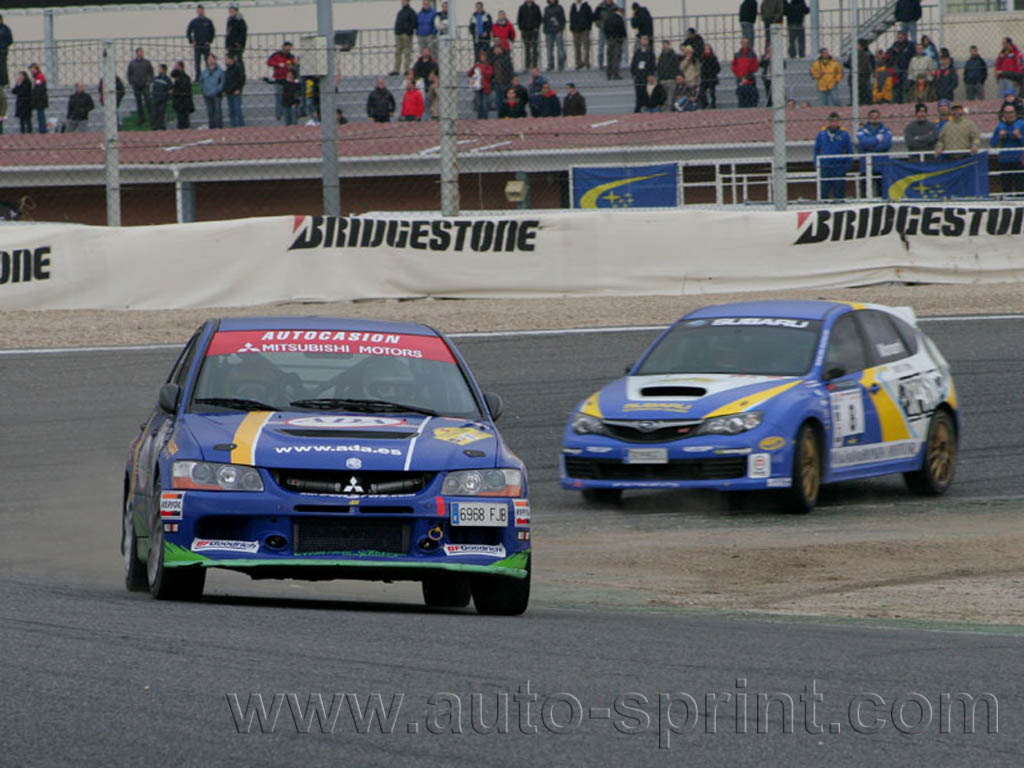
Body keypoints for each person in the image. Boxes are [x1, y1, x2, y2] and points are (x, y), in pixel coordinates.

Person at [814, 111, 853, 200]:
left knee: (839, 190)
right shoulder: (822, 133)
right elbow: (816, 149)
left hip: (838, 166)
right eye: (831, 121)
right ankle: (824, 207)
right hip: (825, 166)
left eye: (835, 121)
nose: (833, 123)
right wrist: (816, 163)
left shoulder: (844, 134)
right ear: (828, 122)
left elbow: (849, 150)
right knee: (824, 190)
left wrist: (847, 165)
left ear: (839, 122)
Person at [856, 108, 892, 196]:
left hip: (881, 165)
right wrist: (877, 139)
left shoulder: (886, 129)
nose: (875, 119)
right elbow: (863, 143)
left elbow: (886, 144)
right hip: (866, 165)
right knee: (864, 191)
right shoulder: (862, 130)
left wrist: (871, 146)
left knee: (882, 191)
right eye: (872, 117)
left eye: (877, 117)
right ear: (868, 118)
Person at [990, 103, 1024, 195]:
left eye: (1011, 112)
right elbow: (992, 144)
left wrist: (1019, 136)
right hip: (1004, 160)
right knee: (1006, 187)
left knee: (1020, 187)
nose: (1009, 115)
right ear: (1003, 114)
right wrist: (999, 137)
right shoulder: (1000, 126)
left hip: (1019, 161)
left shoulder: (1021, 125)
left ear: (1015, 113)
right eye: (1007, 113)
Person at [266, 42, 295, 122]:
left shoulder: (291, 56)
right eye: (287, 47)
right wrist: (278, 64)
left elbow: (293, 64)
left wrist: (291, 66)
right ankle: (279, 114)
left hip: (287, 80)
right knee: (278, 97)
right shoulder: (276, 55)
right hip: (278, 78)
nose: (288, 49)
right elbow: (269, 62)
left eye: (289, 48)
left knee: (287, 97)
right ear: (283, 47)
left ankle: (285, 113)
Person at [186, 5, 215, 80]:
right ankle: (198, 78)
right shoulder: (194, 21)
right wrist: (192, 41)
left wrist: (210, 41)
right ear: (197, 11)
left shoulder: (208, 21)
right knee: (197, 63)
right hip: (197, 46)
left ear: (203, 11)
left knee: (208, 62)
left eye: (201, 10)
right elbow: (188, 31)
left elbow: (212, 32)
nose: (200, 12)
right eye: (198, 10)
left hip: (206, 45)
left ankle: (209, 76)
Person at [126, 47, 154, 126]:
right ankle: (141, 118)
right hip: (136, 85)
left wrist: (149, 81)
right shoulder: (132, 63)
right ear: (137, 53)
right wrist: (132, 82)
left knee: (148, 101)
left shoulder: (147, 62)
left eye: (142, 52)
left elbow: (151, 73)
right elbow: (129, 74)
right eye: (140, 52)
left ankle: (151, 118)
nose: (141, 53)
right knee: (139, 102)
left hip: (145, 84)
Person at [887, 31, 914, 104]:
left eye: (901, 37)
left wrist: (900, 52)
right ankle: (897, 102)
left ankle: (905, 101)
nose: (900, 39)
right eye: (898, 37)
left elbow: (910, 55)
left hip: (906, 69)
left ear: (905, 37)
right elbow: (889, 52)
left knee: (905, 87)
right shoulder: (895, 44)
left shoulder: (910, 45)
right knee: (896, 87)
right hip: (898, 70)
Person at [392, 0, 417, 76]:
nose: (403, 2)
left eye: (405, 1)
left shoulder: (411, 12)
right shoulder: (400, 12)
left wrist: (408, 31)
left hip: (406, 35)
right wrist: (396, 31)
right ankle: (396, 69)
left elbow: (414, 23)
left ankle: (406, 69)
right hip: (399, 34)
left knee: (407, 52)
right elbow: (397, 22)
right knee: (398, 52)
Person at [731, 38, 759, 107]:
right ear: (741, 44)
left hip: (749, 77)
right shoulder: (737, 55)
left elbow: (755, 66)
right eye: (743, 43)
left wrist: (748, 73)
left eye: (746, 43)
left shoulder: (752, 54)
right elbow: (733, 65)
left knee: (751, 95)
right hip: (740, 78)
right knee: (741, 96)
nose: (744, 45)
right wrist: (738, 74)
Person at [631, 35, 656, 112]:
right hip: (639, 77)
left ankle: (647, 108)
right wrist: (635, 73)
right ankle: (638, 109)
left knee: (647, 93)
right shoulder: (637, 52)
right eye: (643, 39)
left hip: (647, 76)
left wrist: (651, 74)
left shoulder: (650, 53)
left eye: (646, 39)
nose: (644, 41)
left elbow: (653, 65)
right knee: (639, 93)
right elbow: (633, 64)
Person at [199, 54, 224, 129]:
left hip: (216, 94)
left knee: (217, 111)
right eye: (208, 59)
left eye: (211, 59)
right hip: (207, 94)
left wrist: (217, 90)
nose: (209, 60)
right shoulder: (205, 71)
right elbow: (201, 81)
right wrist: (203, 90)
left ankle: (219, 126)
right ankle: (212, 126)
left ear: (214, 60)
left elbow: (222, 82)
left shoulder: (220, 71)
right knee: (210, 111)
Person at [518, 0, 543, 70]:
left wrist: (537, 27)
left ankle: (535, 65)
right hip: (525, 31)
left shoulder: (536, 7)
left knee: (535, 48)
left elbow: (540, 18)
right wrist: (521, 28)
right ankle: (527, 65)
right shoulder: (522, 8)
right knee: (527, 48)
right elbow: (519, 19)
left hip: (534, 31)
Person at [655, 40, 679, 112]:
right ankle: (665, 111)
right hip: (663, 79)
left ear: (669, 45)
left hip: (671, 79)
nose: (664, 46)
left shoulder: (673, 55)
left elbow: (676, 66)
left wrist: (674, 75)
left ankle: (668, 111)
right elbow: (659, 67)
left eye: (666, 45)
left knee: (670, 98)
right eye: (663, 45)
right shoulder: (661, 56)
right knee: (664, 98)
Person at [604, 6, 626, 80]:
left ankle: (609, 73)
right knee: (616, 57)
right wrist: (623, 36)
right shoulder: (619, 19)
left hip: (609, 40)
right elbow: (622, 30)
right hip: (618, 40)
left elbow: (605, 29)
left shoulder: (608, 18)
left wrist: (608, 37)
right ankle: (615, 73)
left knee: (610, 57)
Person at [468, 50, 493, 119]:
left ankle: (485, 118)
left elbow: (489, 75)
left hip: (485, 87)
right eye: (481, 57)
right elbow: (470, 74)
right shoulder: (477, 65)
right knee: (479, 104)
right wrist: (473, 68)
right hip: (477, 86)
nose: (483, 58)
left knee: (485, 104)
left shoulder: (488, 66)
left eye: (484, 56)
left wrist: (482, 69)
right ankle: (479, 118)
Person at [544, 0, 567, 72]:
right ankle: (550, 65)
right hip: (548, 32)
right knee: (549, 49)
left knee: (560, 49)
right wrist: (545, 30)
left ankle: (561, 65)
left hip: (558, 31)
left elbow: (563, 20)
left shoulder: (559, 8)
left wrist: (561, 29)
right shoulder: (546, 9)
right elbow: (544, 20)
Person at [569, 0, 592, 70]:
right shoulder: (573, 6)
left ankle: (586, 62)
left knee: (586, 47)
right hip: (575, 30)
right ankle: (578, 63)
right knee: (577, 47)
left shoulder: (587, 6)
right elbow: (571, 17)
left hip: (585, 29)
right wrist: (572, 27)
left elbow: (590, 17)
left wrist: (588, 27)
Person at [170, 61, 194, 129]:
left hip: (184, 103)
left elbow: (183, 89)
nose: (175, 68)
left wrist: (174, 91)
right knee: (180, 121)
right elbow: (172, 74)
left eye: (176, 67)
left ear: (180, 67)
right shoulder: (178, 78)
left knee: (184, 121)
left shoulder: (185, 78)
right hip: (179, 103)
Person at [490, 42, 514, 111]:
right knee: (498, 100)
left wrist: (509, 80)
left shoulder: (506, 58)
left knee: (504, 100)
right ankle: (499, 114)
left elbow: (510, 70)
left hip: (505, 82)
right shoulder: (493, 59)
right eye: (495, 49)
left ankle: (505, 114)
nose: (496, 50)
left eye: (498, 49)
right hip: (497, 82)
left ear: (501, 49)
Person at [223, 53, 244, 127]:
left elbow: (242, 79)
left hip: (236, 92)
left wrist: (239, 89)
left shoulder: (238, 68)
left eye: (227, 59)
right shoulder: (227, 69)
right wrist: (225, 90)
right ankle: (233, 125)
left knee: (237, 109)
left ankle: (241, 125)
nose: (226, 61)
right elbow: (226, 81)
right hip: (229, 92)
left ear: (231, 59)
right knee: (231, 110)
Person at [151, 64, 172, 130]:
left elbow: (170, 90)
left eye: (160, 69)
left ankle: (162, 126)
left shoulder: (167, 80)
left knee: (162, 113)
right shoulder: (156, 79)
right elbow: (153, 88)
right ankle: (155, 126)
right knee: (155, 113)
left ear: (164, 70)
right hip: (155, 98)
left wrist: (167, 97)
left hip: (163, 99)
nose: (159, 70)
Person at [699, 43, 720, 109]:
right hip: (704, 78)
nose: (706, 50)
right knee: (702, 91)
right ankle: (705, 104)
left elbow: (718, 68)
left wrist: (713, 73)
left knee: (712, 93)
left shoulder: (713, 58)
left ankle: (713, 105)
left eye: (708, 49)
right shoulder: (702, 58)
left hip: (712, 78)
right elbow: (701, 68)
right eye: (705, 49)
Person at [28, 63, 47, 134]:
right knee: (40, 113)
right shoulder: (36, 77)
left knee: (40, 113)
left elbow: (39, 87)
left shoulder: (39, 76)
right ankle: (42, 128)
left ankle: (42, 129)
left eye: (32, 69)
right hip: (38, 98)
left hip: (40, 98)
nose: (31, 71)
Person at [0, 15, 12, 87]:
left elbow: (10, 40)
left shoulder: (5, 29)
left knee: (3, 67)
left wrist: (4, 46)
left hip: (2, 50)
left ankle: (4, 83)